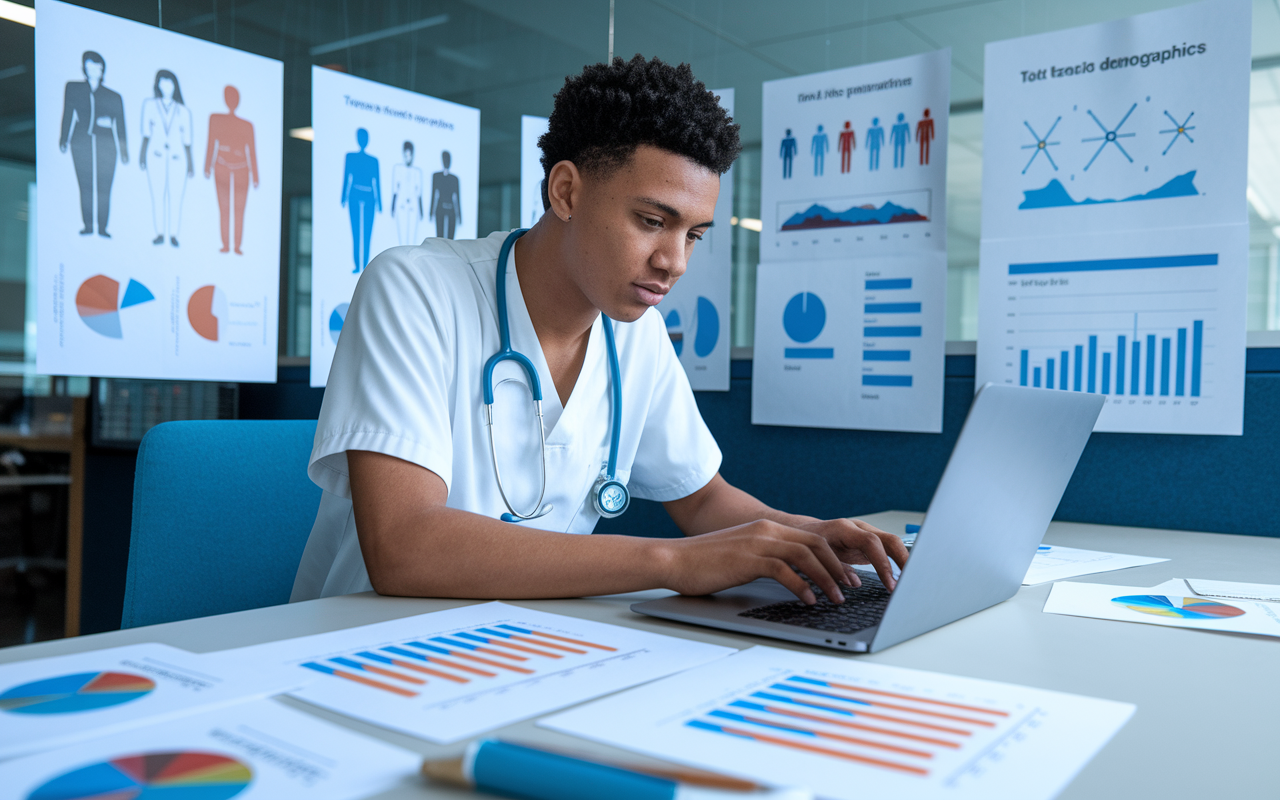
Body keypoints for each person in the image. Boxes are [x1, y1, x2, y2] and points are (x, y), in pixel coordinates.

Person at [290, 55, 905, 606]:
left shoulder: (635, 331)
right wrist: (673, 563)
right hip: (367, 649)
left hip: (530, 645)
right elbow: (405, 546)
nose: (675, 262)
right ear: (566, 191)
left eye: (692, 234)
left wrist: (808, 535)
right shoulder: (414, 290)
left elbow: (700, 499)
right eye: (650, 221)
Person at [59, 50, 128, 238]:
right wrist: (63, 139)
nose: (93, 70)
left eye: (97, 66)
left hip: (106, 143)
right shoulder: (74, 88)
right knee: (85, 185)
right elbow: (68, 114)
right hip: (81, 140)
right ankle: (88, 225)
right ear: (84, 68)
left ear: (102, 69)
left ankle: (103, 227)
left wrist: (124, 151)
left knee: (105, 187)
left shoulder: (113, 95)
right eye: (89, 66)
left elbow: (120, 123)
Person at [139, 69, 194, 247]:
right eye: (162, 82)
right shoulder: (149, 105)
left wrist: (191, 163)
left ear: (174, 85)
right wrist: (142, 154)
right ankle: (160, 233)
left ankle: (174, 234)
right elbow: (146, 133)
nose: (166, 86)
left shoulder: (183, 111)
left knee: (176, 197)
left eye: (169, 82)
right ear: (157, 85)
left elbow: (188, 141)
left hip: (178, 158)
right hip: (155, 156)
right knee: (157, 195)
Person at [204, 85, 258, 255]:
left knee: (239, 209)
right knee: (224, 208)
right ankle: (226, 245)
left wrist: (255, 175)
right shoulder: (215, 119)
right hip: (222, 167)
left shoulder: (247, 125)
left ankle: (237, 246)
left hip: (242, 168)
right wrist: (207, 166)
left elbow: (252, 151)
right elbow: (211, 143)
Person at [342, 128, 381, 271]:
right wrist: (343, 197)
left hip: (369, 197)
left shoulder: (373, 160)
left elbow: (377, 182)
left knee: (367, 233)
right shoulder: (350, 157)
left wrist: (379, 202)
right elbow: (347, 178)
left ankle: (365, 265)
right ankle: (357, 265)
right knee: (355, 232)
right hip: (354, 195)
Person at [391, 140, 423, 246]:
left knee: (412, 238)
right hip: (401, 206)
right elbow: (395, 190)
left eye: (409, 155)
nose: (408, 158)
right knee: (402, 237)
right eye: (406, 155)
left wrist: (421, 211)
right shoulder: (398, 169)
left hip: (413, 206)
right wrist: (392, 207)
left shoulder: (417, 172)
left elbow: (419, 194)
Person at [430, 151, 461, 239]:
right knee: (439, 237)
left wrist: (459, 216)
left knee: (450, 239)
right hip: (440, 209)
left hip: (451, 209)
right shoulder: (437, 176)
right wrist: (431, 212)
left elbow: (457, 199)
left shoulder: (454, 179)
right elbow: (434, 195)